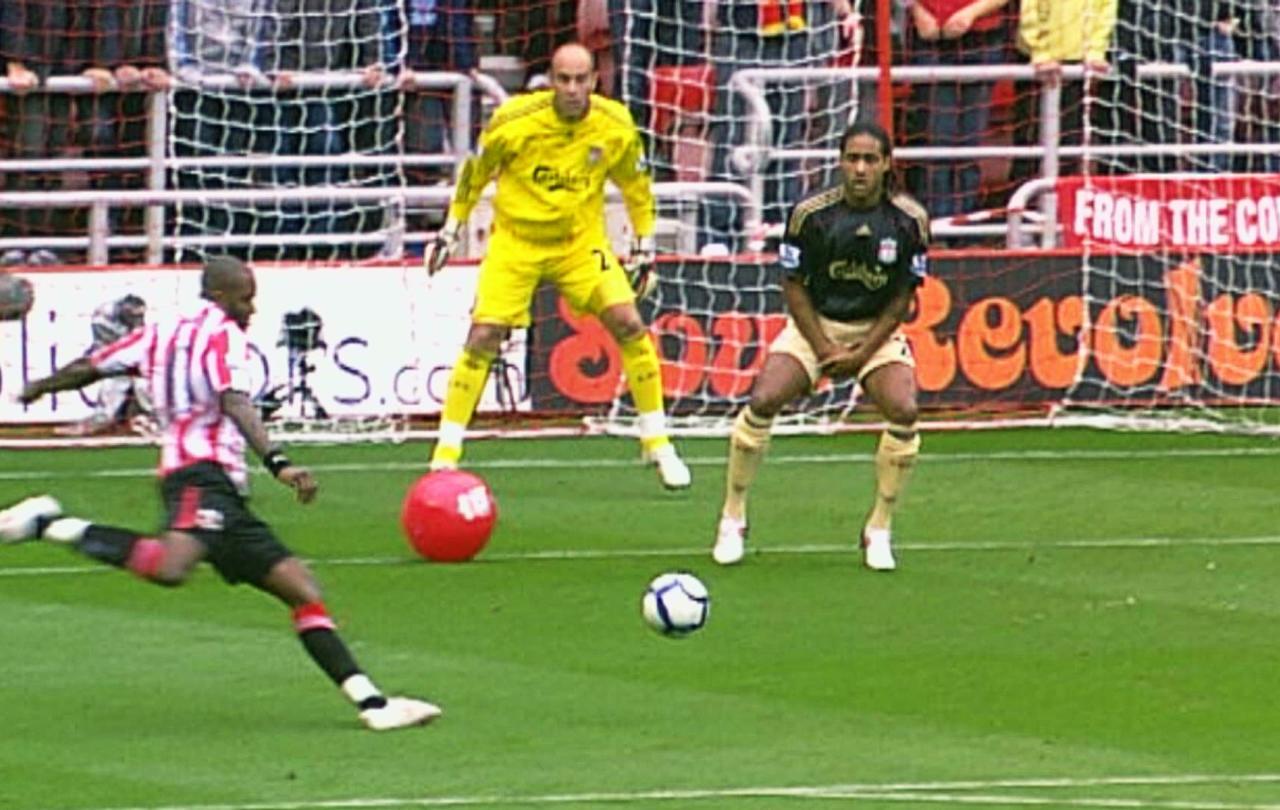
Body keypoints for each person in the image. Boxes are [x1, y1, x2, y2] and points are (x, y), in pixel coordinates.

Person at [0, 255, 441, 732]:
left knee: (301, 588)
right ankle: (48, 523)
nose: (251, 309)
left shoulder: (160, 334)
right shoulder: (223, 334)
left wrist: (40, 387)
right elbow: (235, 400)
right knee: (171, 567)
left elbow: (94, 366)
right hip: (199, 475)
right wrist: (279, 462)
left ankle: (374, 705)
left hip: (224, 493)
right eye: (246, 298)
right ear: (220, 295)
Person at [423, 42, 691, 490]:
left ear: (594, 81)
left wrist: (644, 247)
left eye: (579, 79)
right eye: (562, 79)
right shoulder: (514, 121)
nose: (571, 88)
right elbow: (475, 175)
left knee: (628, 321)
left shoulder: (614, 125)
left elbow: (636, 187)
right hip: (516, 242)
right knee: (485, 334)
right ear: (550, 80)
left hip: (581, 242)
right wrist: (451, 230)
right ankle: (445, 452)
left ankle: (657, 440)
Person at [711, 122, 928, 571]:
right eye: (852, 158)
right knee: (764, 398)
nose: (860, 169)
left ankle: (879, 528)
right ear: (840, 161)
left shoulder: (909, 221)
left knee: (904, 409)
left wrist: (862, 353)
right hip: (815, 327)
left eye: (870, 159)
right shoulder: (811, 215)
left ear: (887, 165)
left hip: (875, 334)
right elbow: (793, 286)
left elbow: (902, 299)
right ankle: (733, 517)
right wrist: (824, 347)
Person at [56, 294, 155, 437]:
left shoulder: (135, 322)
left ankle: (152, 417)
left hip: (130, 354)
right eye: (133, 316)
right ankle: (103, 418)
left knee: (145, 381)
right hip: (108, 349)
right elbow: (115, 348)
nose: (137, 320)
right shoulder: (103, 317)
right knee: (116, 380)